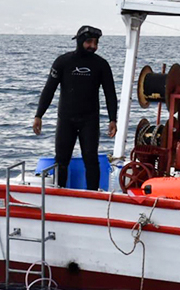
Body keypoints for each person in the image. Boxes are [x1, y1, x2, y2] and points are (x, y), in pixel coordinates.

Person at [33, 25, 117, 190]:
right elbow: (49, 89)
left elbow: (110, 94)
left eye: (96, 42)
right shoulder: (63, 62)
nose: (93, 46)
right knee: (61, 160)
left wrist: (113, 119)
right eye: (89, 42)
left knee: (91, 159)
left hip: (89, 120)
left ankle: (93, 196)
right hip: (66, 119)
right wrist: (38, 115)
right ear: (79, 41)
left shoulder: (101, 65)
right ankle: (60, 193)